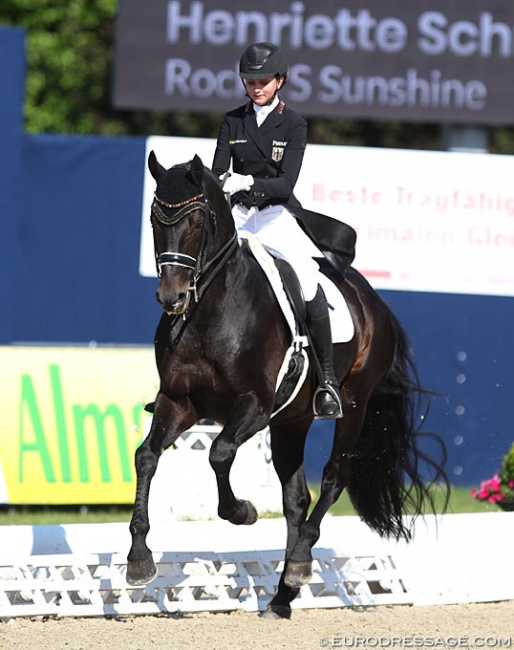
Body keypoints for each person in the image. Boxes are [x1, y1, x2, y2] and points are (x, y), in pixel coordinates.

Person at [212, 42, 349, 420]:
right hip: (238, 215)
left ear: (280, 80)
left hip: (273, 216)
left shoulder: (293, 124)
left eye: (263, 81)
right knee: (202, 272)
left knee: (307, 281)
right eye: (250, 81)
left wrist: (248, 183)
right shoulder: (231, 121)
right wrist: (225, 183)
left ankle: (327, 383)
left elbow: (286, 183)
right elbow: (218, 168)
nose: (256, 87)